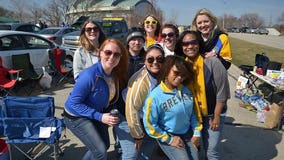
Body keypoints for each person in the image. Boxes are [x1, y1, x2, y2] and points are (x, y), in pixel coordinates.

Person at [63, 38, 129, 160]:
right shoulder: (89, 76)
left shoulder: (114, 74)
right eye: (108, 52)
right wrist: (100, 117)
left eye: (116, 54)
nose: (112, 57)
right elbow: (73, 104)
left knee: (104, 145)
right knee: (100, 152)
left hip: (96, 113)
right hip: (76, 116)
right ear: (100, 53)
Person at [176, 30, 230, 160]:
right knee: (193, 148)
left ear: (199, 44)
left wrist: (216, 116)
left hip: (213, 114)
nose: (189, 46)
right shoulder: (181, 65)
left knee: (211, 151)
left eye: (193, 42)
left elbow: (222, 92)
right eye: (185, 43)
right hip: (192, 116)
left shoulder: (213, 63)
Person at [143, 55, 201, 160]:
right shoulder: (154, 97)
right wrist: (169, 139)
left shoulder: (186, 91)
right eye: (176, 73)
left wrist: (196, 133)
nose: (180, 78)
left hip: (187, 134)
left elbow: (192, 114)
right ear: (166, 70)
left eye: (183, 75)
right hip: (169, 135)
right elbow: (150, 124)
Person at [125, 43, 165, 159]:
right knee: (132, 154)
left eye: (159, 59)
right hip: (133, 119)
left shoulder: (163, 74)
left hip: (150, 119)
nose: (155, 62)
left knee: (147, 151)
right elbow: (132, 109)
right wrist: (137, 135)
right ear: (145, 61)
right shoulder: (140, 82)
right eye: (150, 59)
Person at [113, 28, 146, 160]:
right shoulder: (120, 58)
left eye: (140, 39)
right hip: (122, 111)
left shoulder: (148, 59)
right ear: (128, 42)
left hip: (141, 111)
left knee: (139, 148)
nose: (137, 42)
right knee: (130, 151)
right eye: (133, 39)